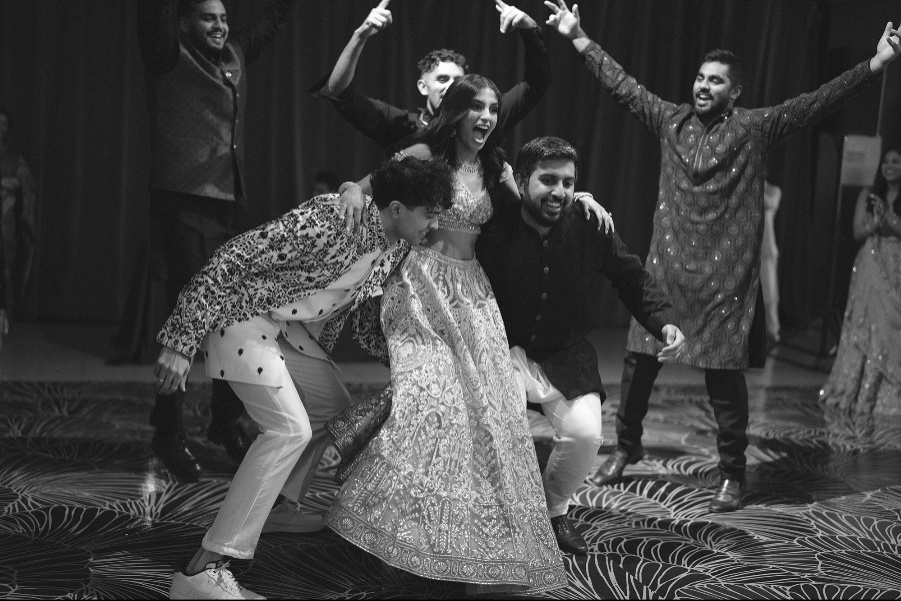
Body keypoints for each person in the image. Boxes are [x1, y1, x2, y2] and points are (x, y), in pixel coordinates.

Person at [545, 0, 901, 512]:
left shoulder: (754, 130)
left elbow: (815, 104)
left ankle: (732, 475)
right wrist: (578, 36)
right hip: (665, 271)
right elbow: (622, 86)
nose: (703, 86)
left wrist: (875, 64)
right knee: (638, 365)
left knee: (724, 385)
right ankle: (627, 446)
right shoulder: (670, 122)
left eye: (715, 81)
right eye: (699, 77)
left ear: (734, 92)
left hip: (723, 281)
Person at [154, 156, 454, 600]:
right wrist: (180, 340)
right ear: (395, 208)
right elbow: (231, 258)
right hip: (243, 315)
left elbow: (370, 323)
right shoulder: (335, 218)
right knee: (288, 428)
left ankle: (276, 505)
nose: (434, 225)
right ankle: (204, 568)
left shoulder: (395, 247)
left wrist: (414, 365)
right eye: (429, 213)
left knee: (330, 403)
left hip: (282, 328)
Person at [324, 74, 568, 594]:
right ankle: (399, 532)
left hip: (473, 295)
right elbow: (373, 186)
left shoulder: (494, 164)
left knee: (487, 411)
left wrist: (580, 197)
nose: (486, 116)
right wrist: (351, 189)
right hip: (420, 286)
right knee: (428, 401)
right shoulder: (423, 151)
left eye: (492, 109)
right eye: (476, 107)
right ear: (455, 111)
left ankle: (466, 538)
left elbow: (532, 208)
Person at [477, 136, 686, 555]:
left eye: (569, 182)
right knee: (498, 432)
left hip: (566, 354)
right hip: (502, 350)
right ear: (521, 180)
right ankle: (496, 515)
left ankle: (555, 510)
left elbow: (631, 278)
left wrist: (664, 324)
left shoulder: (591, 224)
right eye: (548, 180)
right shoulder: (494, 228)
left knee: (585, 434)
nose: (559, 192)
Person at [136, 0, 298, 482]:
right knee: (188, 312)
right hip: (182, 201)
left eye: (224, 18)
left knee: (233, 312)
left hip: (229, 201)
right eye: (208, 17)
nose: (220, 26)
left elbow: (273, 17)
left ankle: (224, 420)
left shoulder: (235, 52)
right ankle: (167, 431)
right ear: (184, 21)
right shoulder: (167, 52)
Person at [311, 0, 551, 152]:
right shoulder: (403, 127)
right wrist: (360, 36)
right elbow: (337, 90)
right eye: (442, 79)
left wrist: (528, 28)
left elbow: (537, 83)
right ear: (423, 86)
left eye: (457, 81)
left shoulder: (485, 118)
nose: (450, 87)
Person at [820, 148, 901, 417]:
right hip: (870, 264)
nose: (890, 166)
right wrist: (875, 225)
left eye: (896, 161)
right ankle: (859, 389)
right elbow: (857, 232)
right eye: (887, 161)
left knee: (891, 322)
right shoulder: (867, 194)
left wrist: (890, 219)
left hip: (897, 266)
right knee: (867, 323)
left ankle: (887, 389)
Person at [0, 105, 37, 348]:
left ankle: (3, 321)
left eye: (4, 125)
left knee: (5, 272)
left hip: (6, 225)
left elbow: (25, 183)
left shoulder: (13, 158)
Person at [761, 181, 782, 345]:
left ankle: (773, 331)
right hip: (745, 249)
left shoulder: (774, 190)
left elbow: (769, 203)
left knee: (769, 294)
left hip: (766, 249)